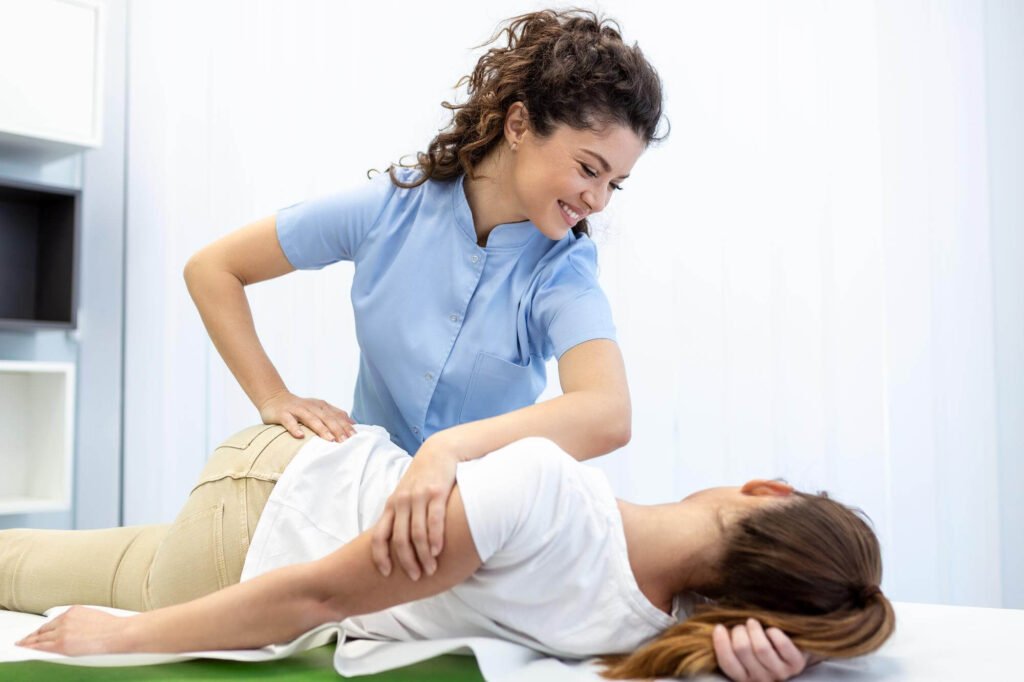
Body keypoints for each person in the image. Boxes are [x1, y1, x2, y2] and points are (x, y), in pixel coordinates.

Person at [182, 8, 665, 584]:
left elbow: (608, 413)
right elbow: (214, 269)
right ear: (518, 125)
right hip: (342, 513)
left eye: (615, 184)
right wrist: (274, 395)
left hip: (466, 544)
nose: (600, 200)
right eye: (590, 169)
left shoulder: (562, 271)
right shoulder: (390, 210)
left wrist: (449, 451)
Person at [6, 424, 895, 680]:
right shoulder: (654, 634)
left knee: (20, 569)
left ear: (771, 492)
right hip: (267, 515)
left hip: (264, 512)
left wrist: (123, 637)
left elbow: (318, 597)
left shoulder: (546, 489)